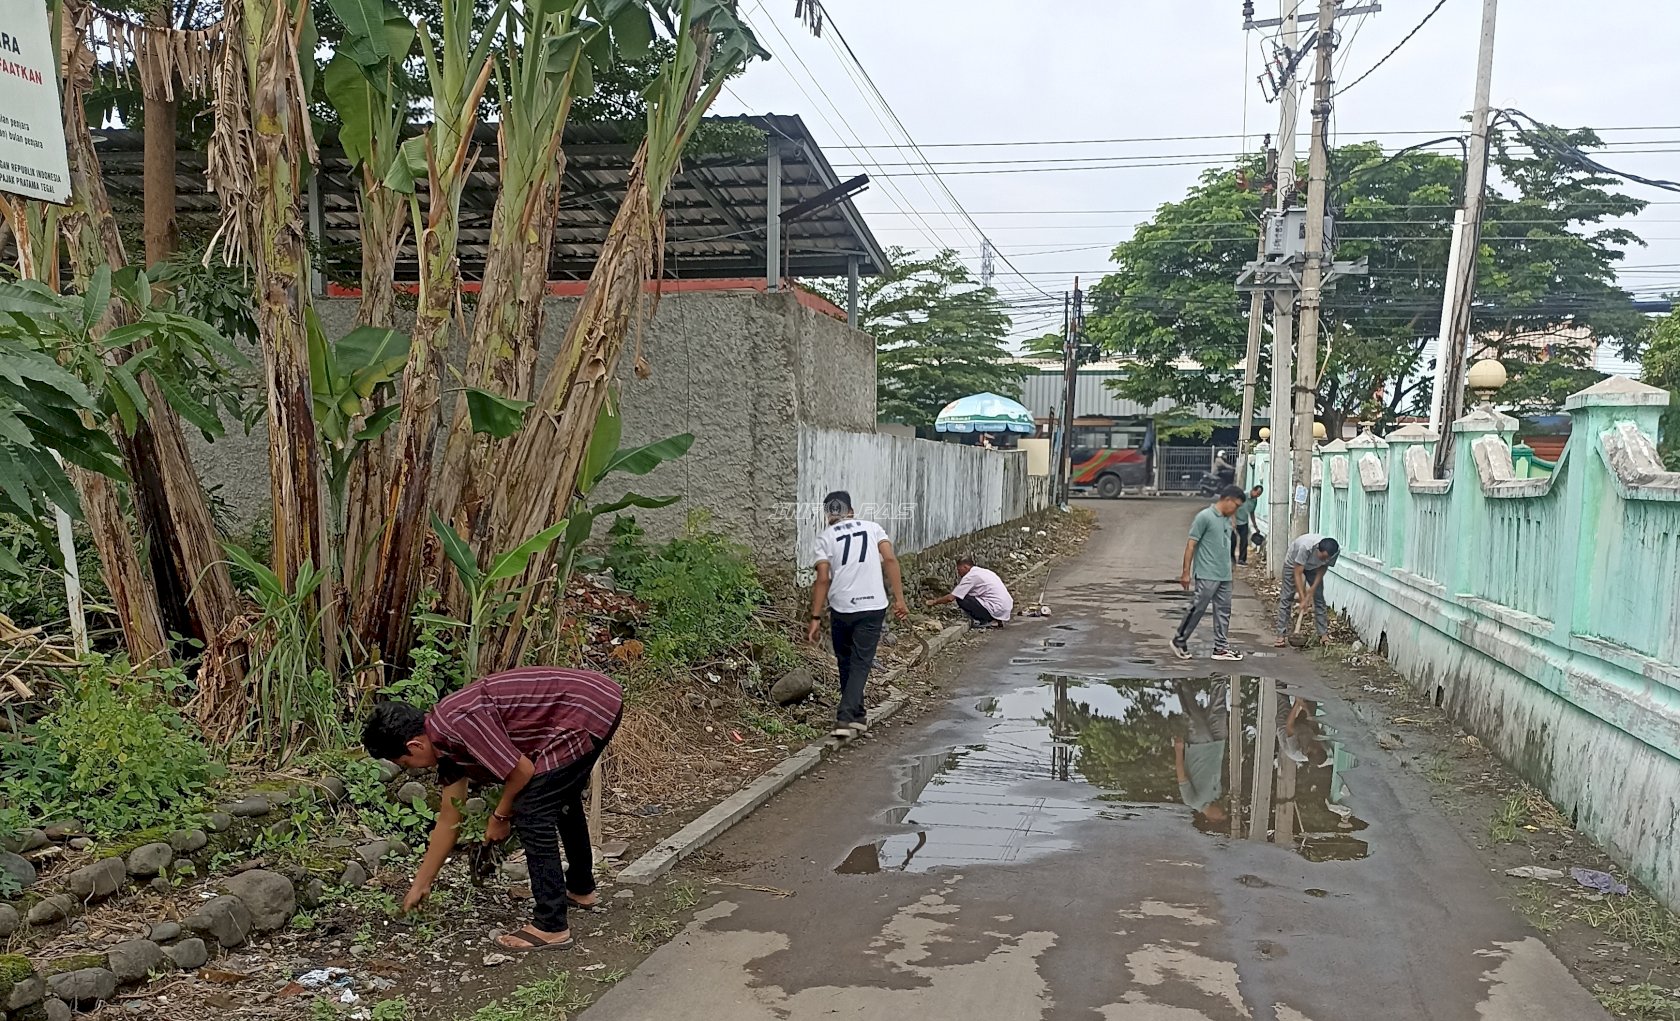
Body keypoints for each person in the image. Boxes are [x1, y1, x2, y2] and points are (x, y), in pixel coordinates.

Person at [361, 667, 623, 953]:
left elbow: (522, 771)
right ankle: (581, 889)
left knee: (532, 809)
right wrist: (421, 884)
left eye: (405, 763)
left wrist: (500, 816)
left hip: (588, 706)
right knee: (558, 795)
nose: (409, 769)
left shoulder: (457, 724)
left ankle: (551, 925)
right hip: (594, 700)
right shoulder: (443, 742)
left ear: (414, 745)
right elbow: (450, 817)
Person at [807, 490, 909, 739]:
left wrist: (815, 617)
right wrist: (899, 599)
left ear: (828, 514)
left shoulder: (825, 538)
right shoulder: (873, 528)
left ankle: (851, 715)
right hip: (873, 606)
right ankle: (852, 714)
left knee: (845, 660)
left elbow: (822, 579)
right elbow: (890, 560)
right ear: (850, 511)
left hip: (842, 607)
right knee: (861, 662)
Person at [1173, 485, 1246, 662]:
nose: (1236, 509)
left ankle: (1221, 648)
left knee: (1224, 611)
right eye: (1235, 505)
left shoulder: (1227, 519)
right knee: (1197, 608)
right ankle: (1179, 640)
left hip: (1224, 575)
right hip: (1207, 573)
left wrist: (1232, 567)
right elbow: (1191, 544)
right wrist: (1185, 572)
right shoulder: (1204, 517)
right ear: (1227, 499)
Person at [1173, 680, 1229, 827]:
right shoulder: (1216, 795)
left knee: (1193, 714)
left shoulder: (1192, 801)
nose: (1222, 810)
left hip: (1199, 746)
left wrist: (1179, 750)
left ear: (1213, 818)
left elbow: (1181, 777)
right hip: (1217, 744)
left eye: (1221, 814)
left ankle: (1180, 682)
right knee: (1219, 710)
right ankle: (1220, 677)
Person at [1275, 533, 1341, 647]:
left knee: (1319, 599)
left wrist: (1312, 589)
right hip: (1293, 565)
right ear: (1317, 550)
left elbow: (1322, 568)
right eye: (1322, 557)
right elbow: (1297, 572)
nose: (1325, 560)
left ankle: (1323, 634)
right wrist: (1302, 598)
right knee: (1287, 597)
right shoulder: (1305, 547)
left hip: (1314, 569)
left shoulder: (1334, 552)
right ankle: (1281, 635)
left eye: (1327, 558)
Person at [925, 556, 1013, 629]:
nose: (959, 573)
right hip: (1005, 607)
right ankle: (996, 619)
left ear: (966, 567)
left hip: (996, 607)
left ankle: (985, 620)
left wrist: (934, 602)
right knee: (969, 596)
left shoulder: (970, 576)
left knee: (961, 599)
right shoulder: (984, 571)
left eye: (959, 570)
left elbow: (951, 598)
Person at [1231, 484, 1262, 565]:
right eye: (1257, 493)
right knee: (1233, 540)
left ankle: (1242, 560)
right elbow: (1233, 507)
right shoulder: (1243, 496)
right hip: (1235, 521)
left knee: (1244, 541)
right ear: (1253, 490)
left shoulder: (1254, 500)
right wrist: (1233, 521)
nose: (1257, 496)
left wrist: (1255, 526)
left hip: (1244, 522)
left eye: (1259, 495)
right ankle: (1231, 558)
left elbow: (1252, 513)